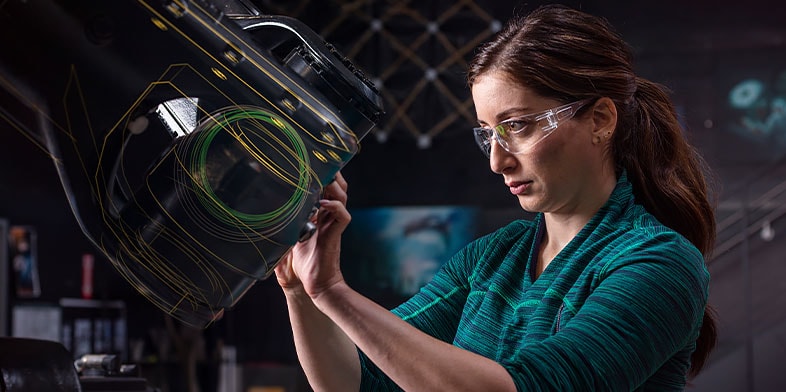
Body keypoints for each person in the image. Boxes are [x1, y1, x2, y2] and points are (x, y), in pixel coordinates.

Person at [274, 4, 717, 391]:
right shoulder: (491, 258)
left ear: (600, 119)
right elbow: (360, 380)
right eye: (488, 135)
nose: (497, 161)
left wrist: (333, 292)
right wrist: (302, 289)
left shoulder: (659, 263)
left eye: (518, 126)